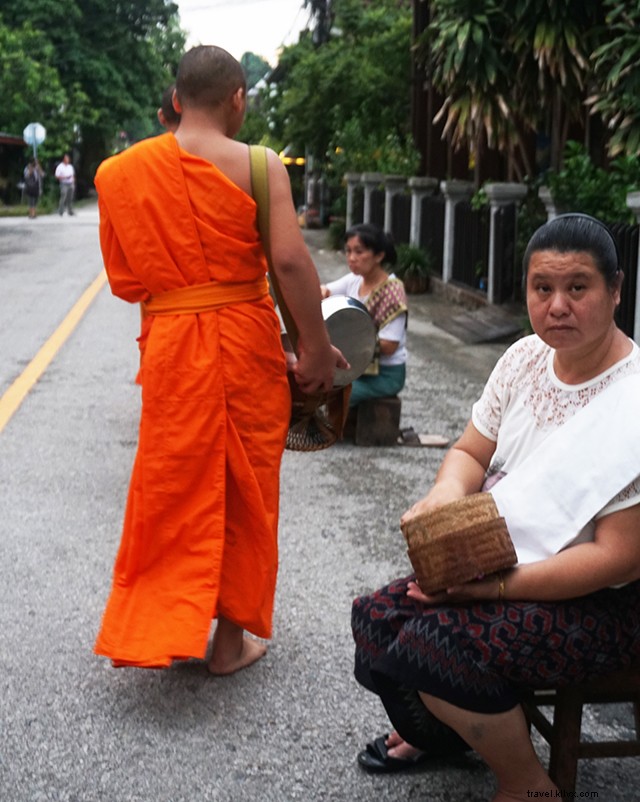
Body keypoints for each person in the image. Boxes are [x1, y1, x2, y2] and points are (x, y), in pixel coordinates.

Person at [352, 214, 640, 801]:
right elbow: (469, 450)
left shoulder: (631, 401)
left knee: (435, 647)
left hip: (600, 604)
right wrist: (443, 499)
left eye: (578, 288)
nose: (558, 305)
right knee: (377, 619)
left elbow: (617, 559)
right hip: (498, 557)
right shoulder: (524, 358)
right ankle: (448, 733)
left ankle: (528, 783)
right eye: (542, 288)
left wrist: (492, 590)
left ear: (615, 289)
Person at [94, 45, 346, 674]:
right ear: (238, 99)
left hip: (173, 347)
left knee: (172, 483)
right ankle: (229, 645)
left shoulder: (119, 173)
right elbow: (289, 262)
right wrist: (314, 348)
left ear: (175, 100)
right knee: (246, 487)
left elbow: (125, 279)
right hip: (244, 341)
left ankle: (164, 626)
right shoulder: (260, 165)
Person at [321, 223, 408, 407]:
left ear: (379, 255)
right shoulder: (355, 279)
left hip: (385, 374)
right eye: (348, 251)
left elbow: (390, 345)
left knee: (335, 395)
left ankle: (329, 434)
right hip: (357, 368)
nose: (352, 258)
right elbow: (326, 290)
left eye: (359, 252)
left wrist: (345, 337)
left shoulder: (393, 291)